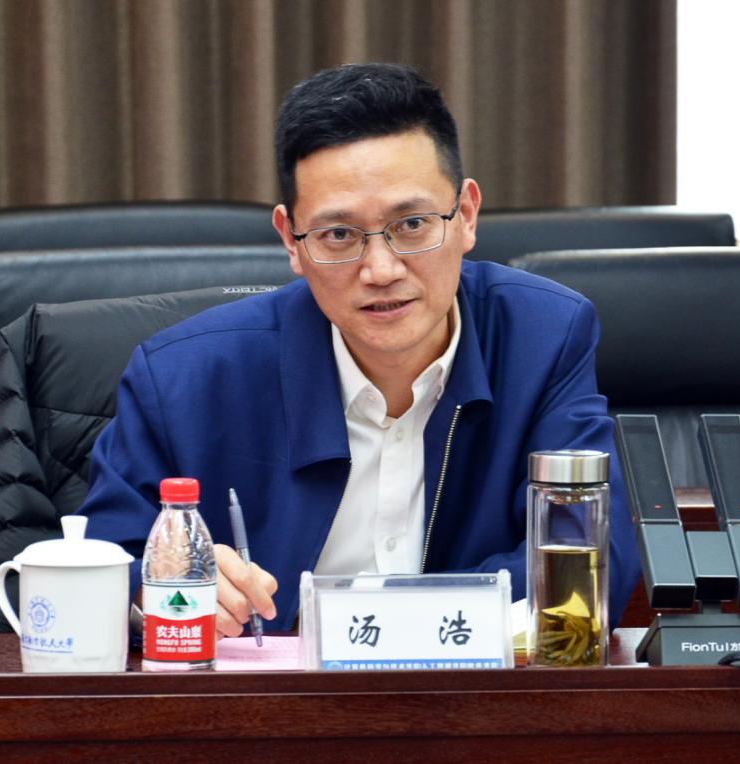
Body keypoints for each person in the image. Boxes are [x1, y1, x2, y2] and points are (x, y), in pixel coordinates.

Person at [79, 62, 640, 635]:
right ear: (291, 241)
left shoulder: (543, 338)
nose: (380, 269)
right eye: (339, 235)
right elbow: (100, 567)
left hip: (468, 683)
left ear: (467, 215)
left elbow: (590, 558)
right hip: (268, 689)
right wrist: (157, 587)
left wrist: (376, 627)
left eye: (413, 223)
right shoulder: (183, 377)